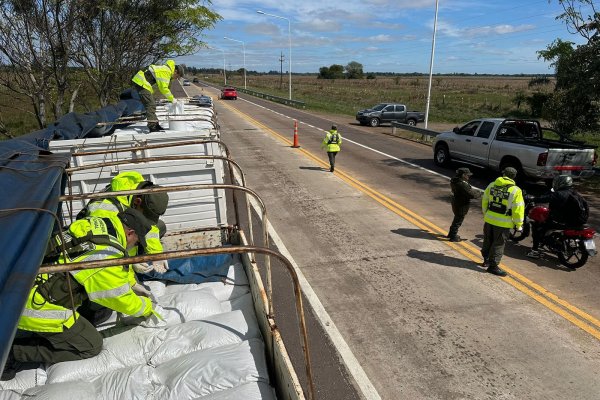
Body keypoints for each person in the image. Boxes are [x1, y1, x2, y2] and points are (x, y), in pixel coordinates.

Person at [3, 209, 157, 379]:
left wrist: (132, 282)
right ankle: (14, 352)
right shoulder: (106, 256)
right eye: (136, 242)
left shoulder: (102, 223)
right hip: (35, 305)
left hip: (24, 283)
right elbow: (121, 300)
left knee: (101, 311)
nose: (134, 246)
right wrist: (148, 307)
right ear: (130, 233)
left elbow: (114, 264)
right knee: (91, 345)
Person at [77, 171, 169, 274]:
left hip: (125, 239)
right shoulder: (106, 211)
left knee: (160, 226)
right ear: (137, 202)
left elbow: (151, 230)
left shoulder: (139, 189)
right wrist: (129, 262)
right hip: (102, 247)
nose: (145, 219)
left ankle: (135, 254)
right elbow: (104, 246)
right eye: (145, 215)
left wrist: (157, 255)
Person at [526, 175, 587, 259]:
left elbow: (545, 198)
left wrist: (533, 198)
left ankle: (535, 251)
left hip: (562, 221)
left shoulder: (559, 194)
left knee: (537, 227)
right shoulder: (575, 193)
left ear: (561, 183)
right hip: (579, 221)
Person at [480, 167, 525, 276]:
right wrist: (519, 225)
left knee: (488, 240)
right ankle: (493, 266)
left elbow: (485, 200)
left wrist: (486, 214)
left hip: (489, 219)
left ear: (503, 174)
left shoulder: (492, 185)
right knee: (498, 243)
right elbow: (518, 209)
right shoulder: (515, 190)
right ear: (514, 177)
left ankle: (486, 259)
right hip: (503, 223)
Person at [131, 59, 184, 132]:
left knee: (151, 104)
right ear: (175, 72)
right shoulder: (166, 72)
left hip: (141, 82)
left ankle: (155, 124)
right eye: (177, 76)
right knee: (150, 105)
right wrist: (172, 99)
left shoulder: (166, 70)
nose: (176, 78)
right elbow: (164, 89)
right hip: (141, 83)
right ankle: (152, 126)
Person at [447, 167, 481, 242]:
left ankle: (451, 233)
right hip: (461, 204)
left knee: (457, 218)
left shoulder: (455, 180)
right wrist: (479, 193)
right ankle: (453, 236)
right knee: (458, 220)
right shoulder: (462, 184)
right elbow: (471, 194)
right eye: (467, 175)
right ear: (463, 175)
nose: (469, 176)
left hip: (456, 201)